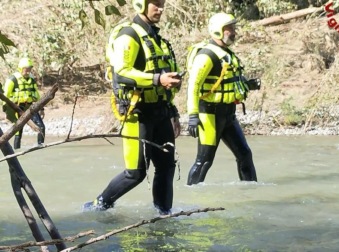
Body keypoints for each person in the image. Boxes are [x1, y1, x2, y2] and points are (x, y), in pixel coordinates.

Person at [83, 0, 182, 216]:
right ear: (141, 4)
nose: (161, 8)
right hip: (138, 113)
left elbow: (167, 78)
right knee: (135, 173)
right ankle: (99, 205)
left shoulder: (158, 39)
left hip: (162, 111)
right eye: (155, 3)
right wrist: (157, 79)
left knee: (166, 168)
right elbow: (122, 73)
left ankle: (164, 215)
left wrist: (173, 112)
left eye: (162, 3)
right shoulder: (129, 35)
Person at [186, 13, 260, 185]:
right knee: (204, 160)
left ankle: (251, 191)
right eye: (229, 29)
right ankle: (190, 196)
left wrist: (248, 85)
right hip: (209, 115)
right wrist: (193, 115)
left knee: (245, 154)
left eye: (233, 28)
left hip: (228, 114)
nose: (233, 32)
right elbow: (193, 87)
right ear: (218, 31)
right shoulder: (206, 56)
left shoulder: (225, 53)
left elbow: (225, 83)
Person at [3, 57, 45, 149]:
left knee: (41, 126)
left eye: (29, 69)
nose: (28, 72)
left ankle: (41, 146)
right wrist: (6, 110)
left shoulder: (31, 79)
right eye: (26, 69)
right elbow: (4, 96)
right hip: (17, 107)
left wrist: (42, 108)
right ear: (20, 68)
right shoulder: (12, 79)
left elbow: (36, 95)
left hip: (30, 107)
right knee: (18, 130)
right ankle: (16, 149)